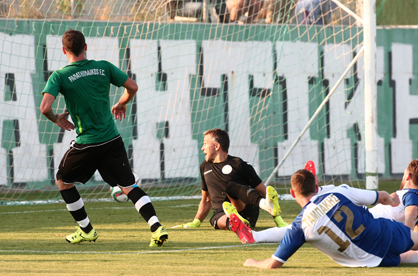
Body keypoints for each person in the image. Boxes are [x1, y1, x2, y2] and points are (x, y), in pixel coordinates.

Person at [40, 29, 168, 247]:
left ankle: (87, 230)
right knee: (129, 187)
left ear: (63, 50)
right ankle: (156, 227)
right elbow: (133, 87)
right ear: (86, 47)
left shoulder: (59, 76)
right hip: (112, 140)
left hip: (87, 144)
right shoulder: (103, 67)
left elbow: (45, 108)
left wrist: (57, 119)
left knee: (63, 181)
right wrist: (122, 102)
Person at [238, 168, 418, 268]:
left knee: (401, 258)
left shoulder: (299, 226)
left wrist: (253, 263)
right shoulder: (339, 192)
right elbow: (383, 197)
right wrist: (394, 201)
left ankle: (255, 236)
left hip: (369, 260)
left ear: (293, 193)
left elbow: (272, 264)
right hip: (386, 233)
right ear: (317, 188)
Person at [177, 128, 287, 230]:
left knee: (230, 187)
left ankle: (242, 217)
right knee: (216, 219)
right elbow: (206, 199)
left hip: (246, 210)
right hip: (222, 213)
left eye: (205, 143)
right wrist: (196, 222)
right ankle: (236, 224)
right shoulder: (204, 167)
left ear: (216, 146)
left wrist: (278, 220)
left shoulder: (239, 164)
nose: (202, 148)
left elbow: (264, 192)